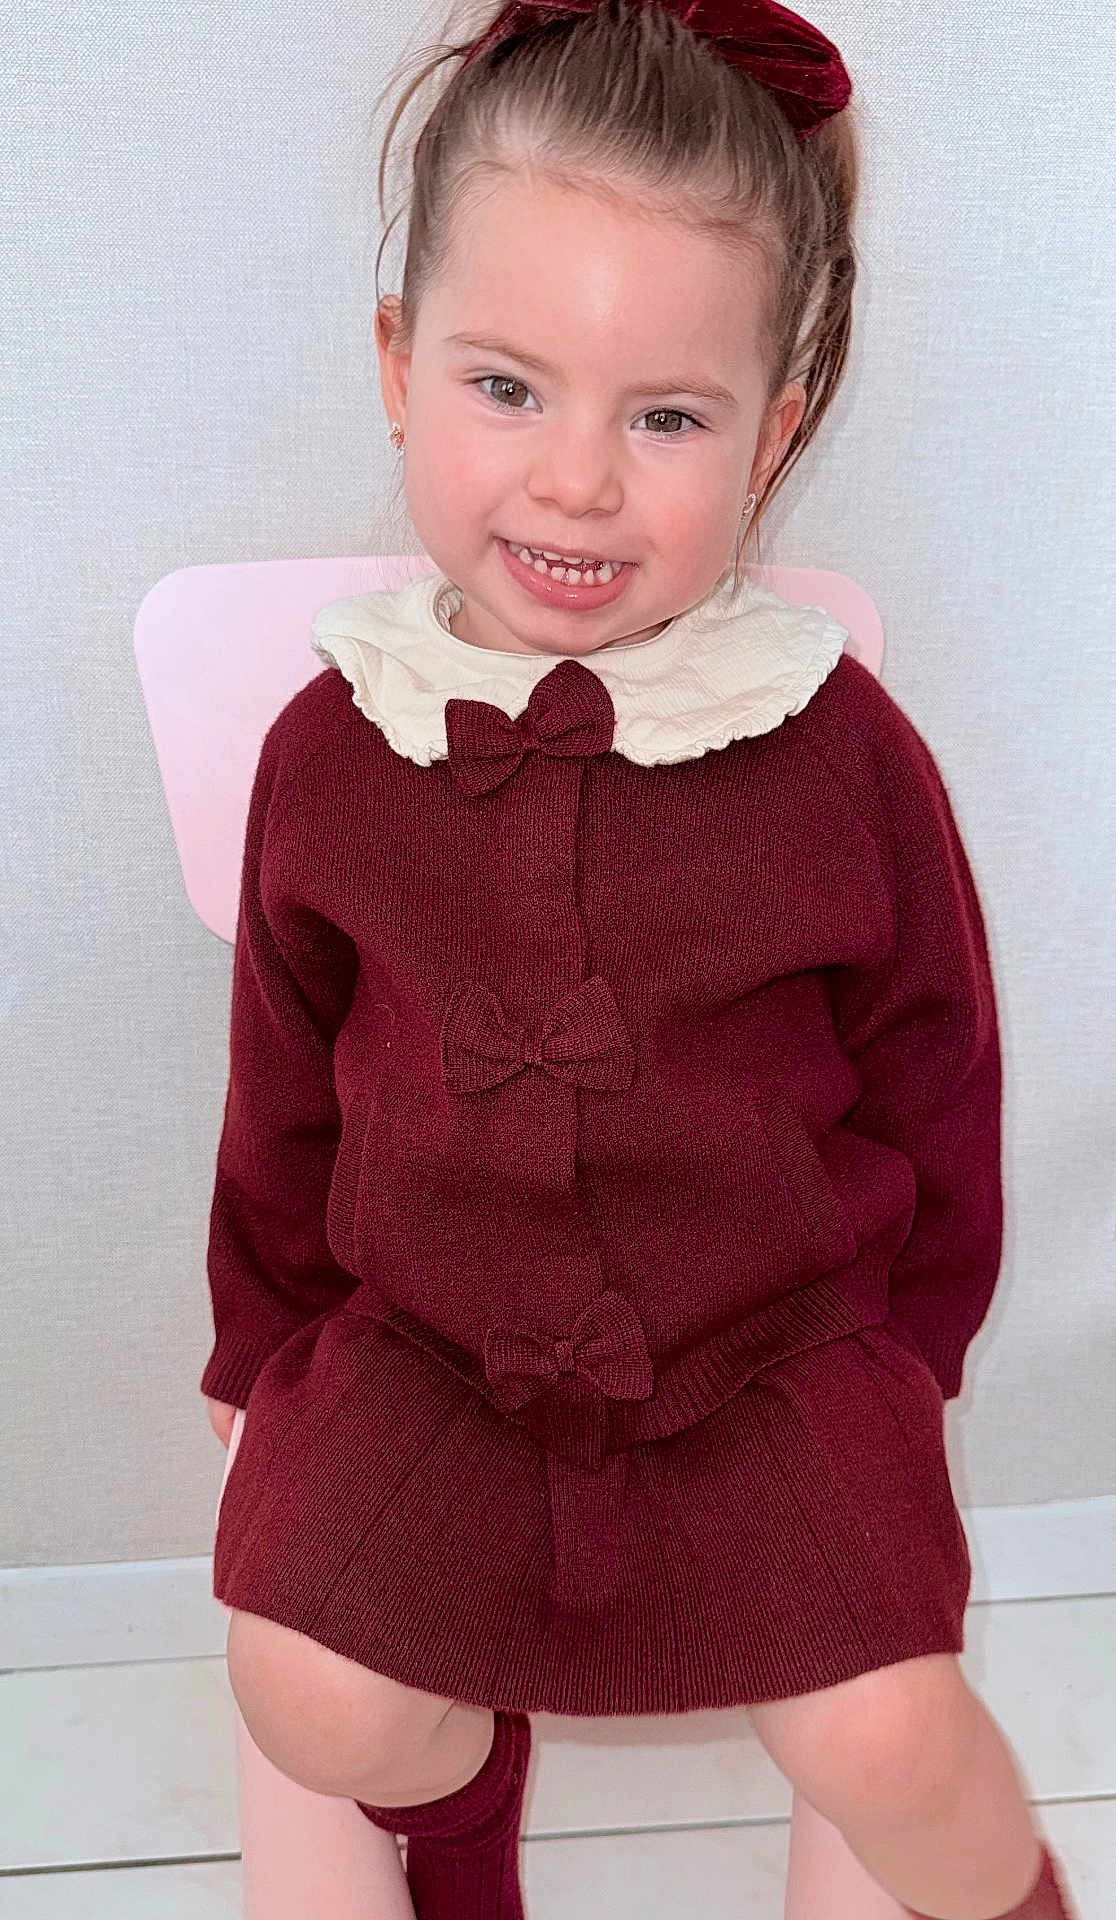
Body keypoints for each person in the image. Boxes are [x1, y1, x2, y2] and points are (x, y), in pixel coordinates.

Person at [200, 3, 1079, 1917]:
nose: (578, 481)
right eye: (508, 387)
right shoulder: (336, 750)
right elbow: (284, 1077)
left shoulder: (839, 746)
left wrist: (909, 1350)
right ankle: (454, 1814)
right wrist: (261, 1338)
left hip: (771, 1356)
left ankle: (1009, 1898)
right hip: (431, 1346)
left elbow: (941, 1064)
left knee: (889, 1735)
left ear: (769, 436)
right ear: (397, 368)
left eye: (664, 416)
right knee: (303, 1684)